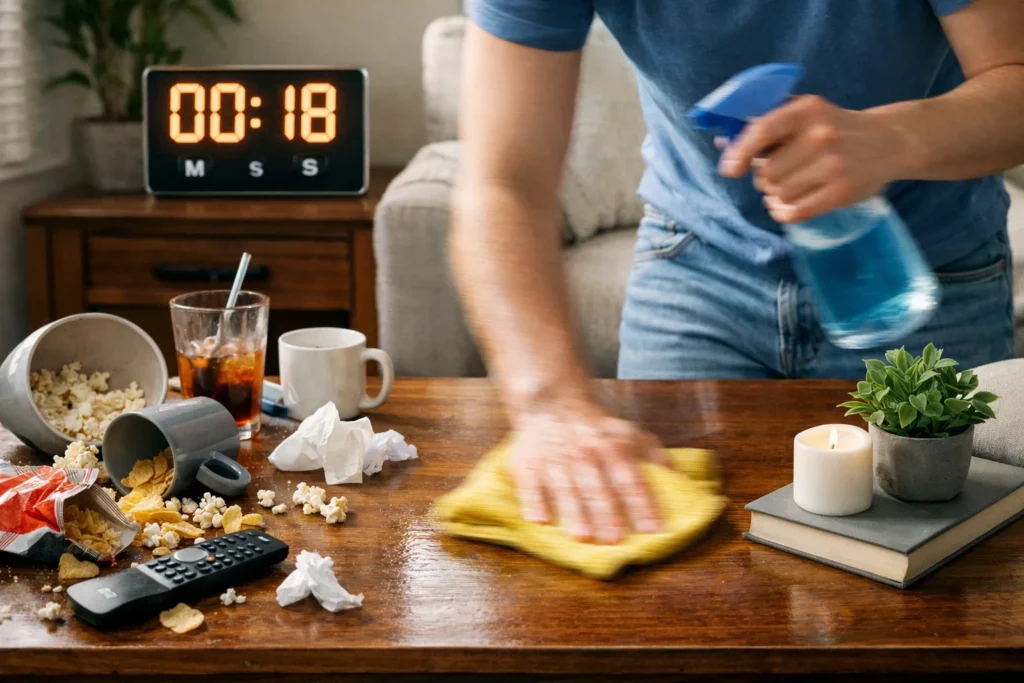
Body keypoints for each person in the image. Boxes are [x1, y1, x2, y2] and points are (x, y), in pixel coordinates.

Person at [450, 0, 1024, 544]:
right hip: (696, 272)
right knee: (665, 574)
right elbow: (501, 185)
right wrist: (550, 406)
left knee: (952, 589)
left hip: (924, 277)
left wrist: (891, 139)